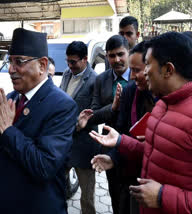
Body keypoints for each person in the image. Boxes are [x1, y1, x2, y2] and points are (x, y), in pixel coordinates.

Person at [90, 31, 192, 214]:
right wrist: (121, 142)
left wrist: (162, 196)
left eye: (148, 65)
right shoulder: (163, 105)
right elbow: (154, 151)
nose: (143, 73)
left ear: (168, 69)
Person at [0, 28, 78, 214]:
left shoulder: (62, 106)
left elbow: (44, 166)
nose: (11, 69)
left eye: (19, 61)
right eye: (10, 61)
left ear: (42, 65)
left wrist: (7, 130)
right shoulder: (11, 98)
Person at [92, 41, 156, 214]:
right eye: (112, 55)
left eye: (137, 70)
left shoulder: (165, 97)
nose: (132, 77)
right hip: (127, 168)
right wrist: (113, 158)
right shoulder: (129, 92)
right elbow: (121, 130)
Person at [79, 34, 131, 214]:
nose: (116, 60)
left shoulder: (140, 75)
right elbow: (93, 115)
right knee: (116, 196)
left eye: (120, 54)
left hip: (137, 148)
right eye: (111, 55)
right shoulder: (101, 80)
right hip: (110, 150)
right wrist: (113, 107)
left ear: (128, 52)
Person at [59, 41, 99, 214]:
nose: (69, 65)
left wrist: (75, 125)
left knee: (87, 196)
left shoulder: (95, 79)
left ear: (84, 59)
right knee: (57, 187)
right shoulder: (67, 74)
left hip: (84, 147)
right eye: (67, 61)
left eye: (73, 62)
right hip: (64, 144)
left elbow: (95, 112)